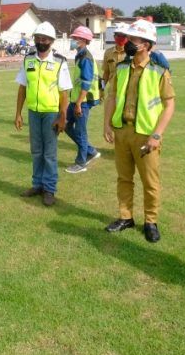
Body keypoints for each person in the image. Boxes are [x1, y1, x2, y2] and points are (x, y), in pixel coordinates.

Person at [102, 19, 176, 242]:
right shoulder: (122, 67)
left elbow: (169, 104)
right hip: (123, 131)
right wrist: (106, 123)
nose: (128, 43)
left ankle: (151, 221)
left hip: (146, 134)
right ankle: (126, 217)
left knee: (149, 181)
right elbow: (112, 96)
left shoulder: (158, 71)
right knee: (124, 178)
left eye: (133, 40)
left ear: (146, 44)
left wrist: (157, 134)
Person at [15, 22, 72, 207]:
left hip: (50, 114)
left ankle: (49, 189)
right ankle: (37, 184)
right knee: (36, 151)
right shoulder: (28, 59)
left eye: (45, 39)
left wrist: (62, 116)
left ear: (52, 41)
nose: (41, 42)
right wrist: (18, 114)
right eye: (38, 38)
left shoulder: (59, 62)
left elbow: (64, 92)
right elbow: (22, 88)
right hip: (33, 112)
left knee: (50, 153)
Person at [64, 26, 101, 173]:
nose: (73, 40)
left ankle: (81, 162)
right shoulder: (80, 55)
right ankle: (90, 151)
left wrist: (79, 103)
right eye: (74, 38)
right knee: (65, 125)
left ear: (84, 40)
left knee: (80, 131)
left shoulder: (85, 57)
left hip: (83, 101)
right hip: (77, 99)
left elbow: (86, 82)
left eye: (76, 38)